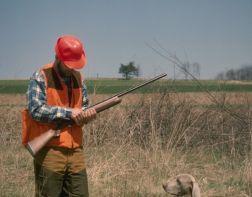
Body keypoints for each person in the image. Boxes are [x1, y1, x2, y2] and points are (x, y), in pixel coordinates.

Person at [25, 35, 96, 196]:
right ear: (58, 57)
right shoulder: (41, 76)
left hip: (76, 149)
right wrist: (69, 113)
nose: (72, 68)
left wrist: (87, 115)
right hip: (50, 150)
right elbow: (35, 110)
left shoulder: (79, 78)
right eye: (69, 65)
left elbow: (83, 106)